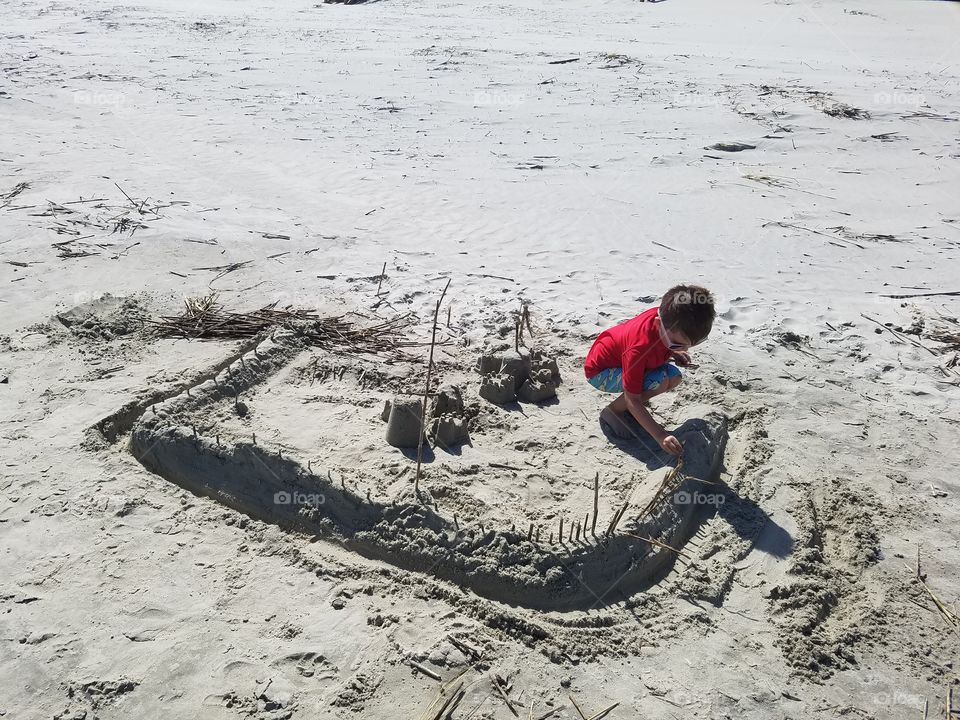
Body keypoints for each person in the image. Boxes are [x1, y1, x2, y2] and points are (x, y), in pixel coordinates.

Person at [583, 285, 715, 455]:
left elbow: (663, 340)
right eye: (677, 343)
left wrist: (674, 351)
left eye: (693, 344)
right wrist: (660, 435)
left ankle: (631, 412)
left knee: (674, 377)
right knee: (659, 381)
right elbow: (633, 399)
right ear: (658, 323)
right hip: (601, 372)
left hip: (624, 361)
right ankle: (613, 412)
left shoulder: (667, 317)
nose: (686, 349)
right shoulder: (638, 348)